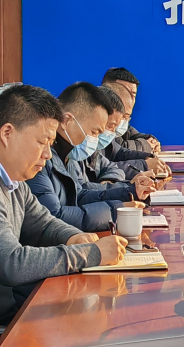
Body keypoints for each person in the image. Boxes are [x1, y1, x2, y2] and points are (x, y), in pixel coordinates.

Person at [0, 85, 128, 320]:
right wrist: (90, 253)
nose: (48, 154)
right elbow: (11, 263)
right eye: (42, 142)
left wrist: (73, 237)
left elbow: (44, 223)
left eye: (50, 144)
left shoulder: (15, 182)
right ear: (7, 133)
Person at [27, 82, 155, 232]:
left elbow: (79, 195)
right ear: (67, 121)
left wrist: (129, 192)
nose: (96, 140)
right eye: (94, 132)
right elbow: (53, 217)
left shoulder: (69, 154)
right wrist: (115, 210)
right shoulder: (38, 159)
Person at [96, 85, 169, 181]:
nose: (114, 131)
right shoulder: (85, 144)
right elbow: (101, 170)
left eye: (127, 117)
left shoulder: (106, 134)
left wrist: (147, 157)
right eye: (124, 116)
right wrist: (144, 165)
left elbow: (119, 152)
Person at [102, 67, 161, 153]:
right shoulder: (100, 115)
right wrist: (146, 145)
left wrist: (150, 140)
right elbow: (117, 150)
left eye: (133, 94)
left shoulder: (122, 121)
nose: (128, 98)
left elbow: (131, 134)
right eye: (123, 91)